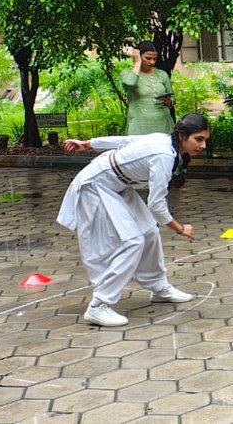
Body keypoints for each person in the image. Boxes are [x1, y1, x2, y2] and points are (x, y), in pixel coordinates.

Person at [56, 113, 208, 327]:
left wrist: (88, 143)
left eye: (205, 140)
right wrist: (180, 229)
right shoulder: (164, 154)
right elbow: (156, 205)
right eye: (198, 139)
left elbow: (125, 140)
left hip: (119, 184)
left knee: (149, 232)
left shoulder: (166, 142)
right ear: (183, 136)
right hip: (96, 185)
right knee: (132, 241)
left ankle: (159, 286)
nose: (202, 146)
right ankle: (98, 305)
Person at [122, 41, 176, 135]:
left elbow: (172, 99)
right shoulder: (127, 73)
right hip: (139, 128)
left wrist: (169, 102)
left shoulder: (162, 74)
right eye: (148, 58)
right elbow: (130, 83)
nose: (152, 62)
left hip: (164, 127)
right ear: (139, 56)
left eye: (154, 59)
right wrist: (137, 62)